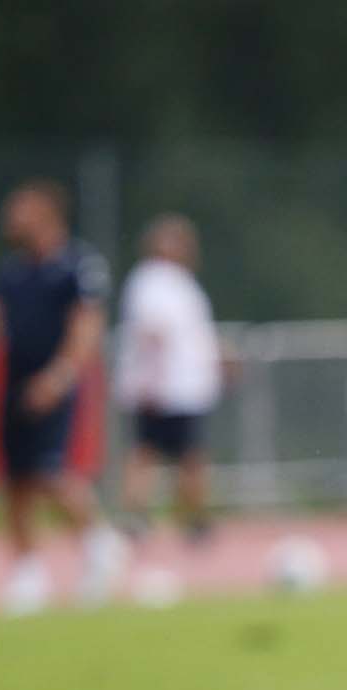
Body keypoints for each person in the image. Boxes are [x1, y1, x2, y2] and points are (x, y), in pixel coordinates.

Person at [0, 180, 123, 614]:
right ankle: (28, 571)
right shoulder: (11, 271)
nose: (10, 217)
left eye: (20, 208)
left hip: (56, 383)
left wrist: (60, 375)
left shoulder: (78, 266)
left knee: (54, 473)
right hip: (15, 384)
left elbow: (86, 326)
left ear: (47, 212)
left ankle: (100, 542)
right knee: (16, 482)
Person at [115, 214, 223, 544]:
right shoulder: (151, 280)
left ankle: (191, 517)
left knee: (187, 455)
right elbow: (153, 332)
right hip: (165, 386)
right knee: (148, 452)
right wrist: (151, 379)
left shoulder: (182, 281)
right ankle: (138, 516)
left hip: (186, 386)